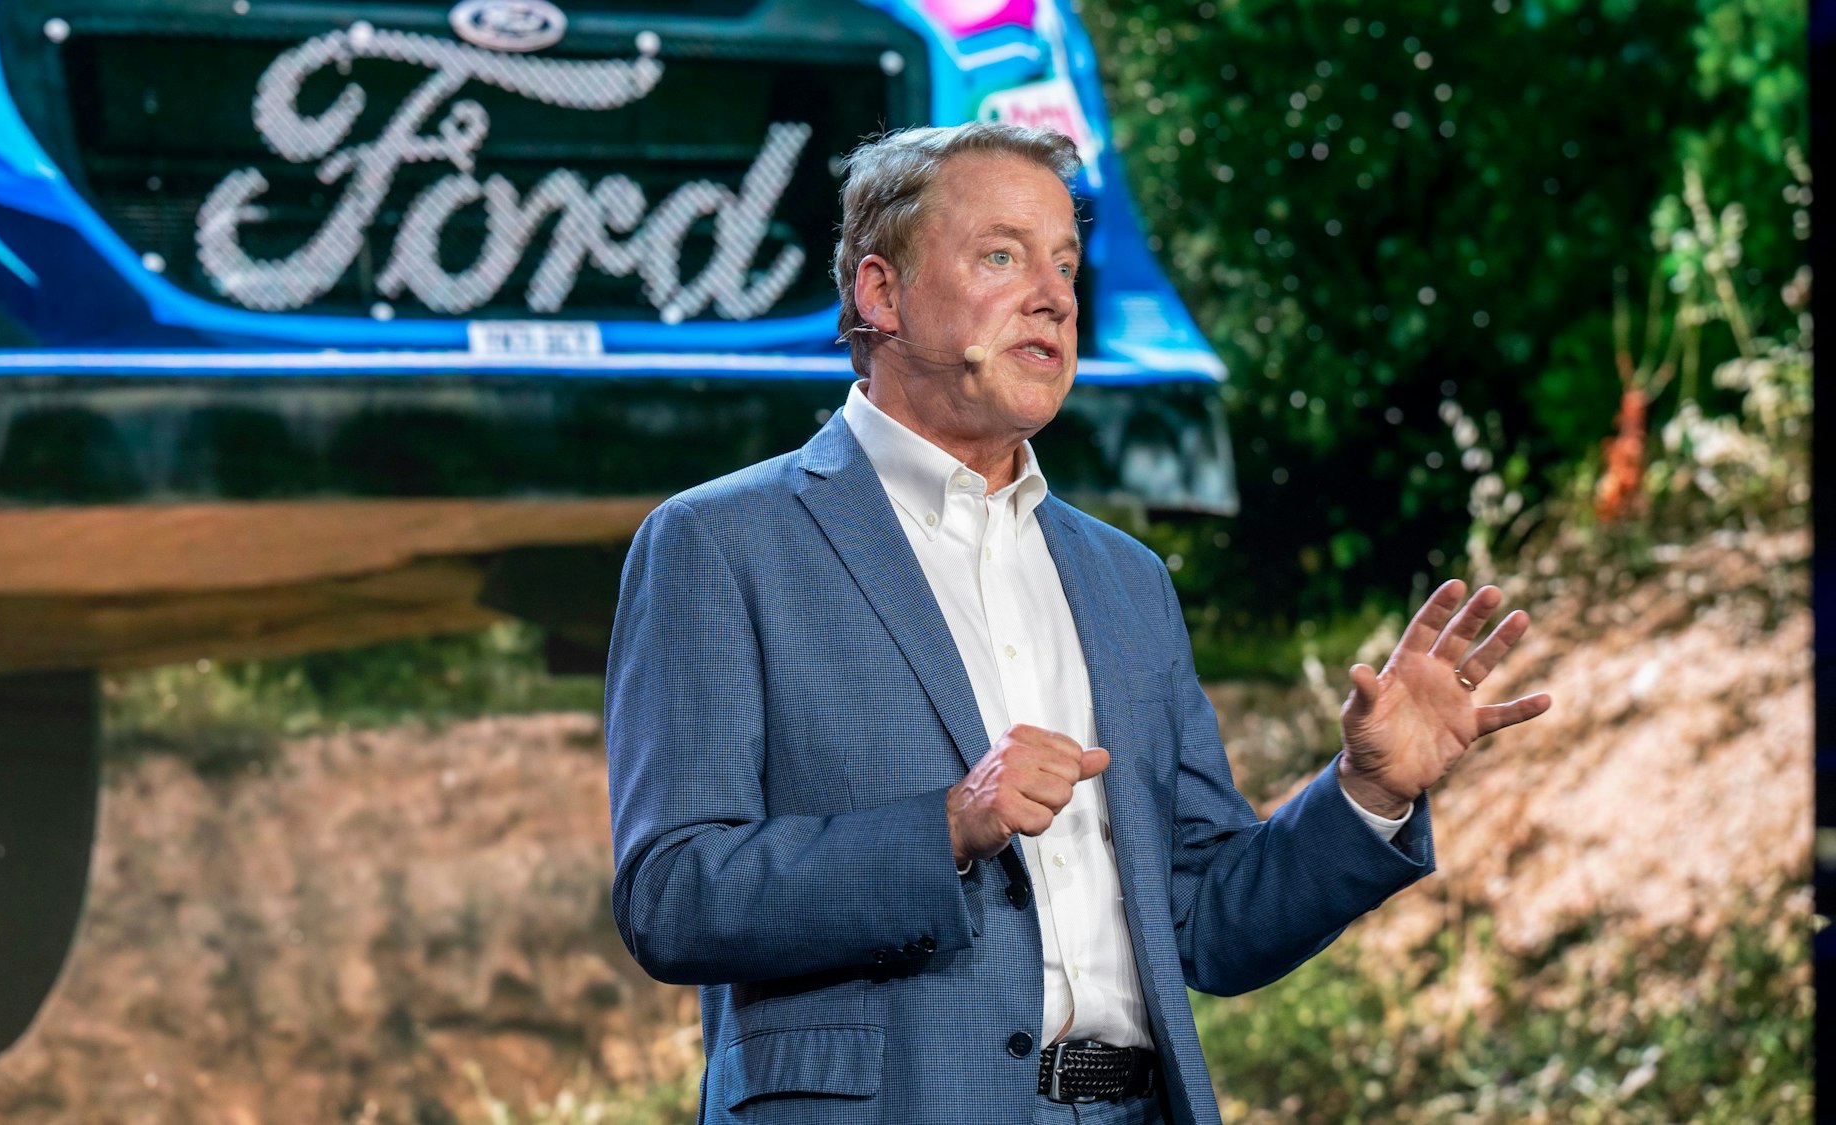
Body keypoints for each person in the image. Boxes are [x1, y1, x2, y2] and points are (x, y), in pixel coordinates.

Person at [605, 122, 1551, 1125]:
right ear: (881, 295)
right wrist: (946, 827)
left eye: (1064, 262)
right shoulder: (720, 542)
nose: (1054, 295)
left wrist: (1363, 792)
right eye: (1001, 255)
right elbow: (672, 897)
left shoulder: (1124, 581)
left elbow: (1209, 922)